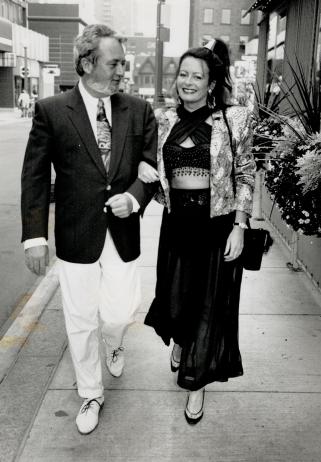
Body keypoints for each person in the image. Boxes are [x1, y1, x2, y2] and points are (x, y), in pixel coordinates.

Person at [21, 24, 157, 435]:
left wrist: (133, 198)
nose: (122, 71)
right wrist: (35, 236)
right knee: (80, 319)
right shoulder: (51, 109)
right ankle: (91, 392)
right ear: (87, 63)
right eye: (114, 62)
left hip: (122, 231)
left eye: (123, 62)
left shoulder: (139, 109)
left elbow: (149, 168)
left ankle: (114, 342)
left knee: (119, 312)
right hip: (76, 233)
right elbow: (34, 176)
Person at [138, 39, 256, 424]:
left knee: (208, 307)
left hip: (217, 227)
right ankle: (181, 338)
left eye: (197, 76)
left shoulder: (233, 119)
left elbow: (246, 173)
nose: (188, 81)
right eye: (183, 74)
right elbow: (153, 173)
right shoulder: (163, 119)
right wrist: (145, 174)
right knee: (175, 301)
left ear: (211, 82)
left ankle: (196, 383)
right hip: (176, 225)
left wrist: (240, 225)